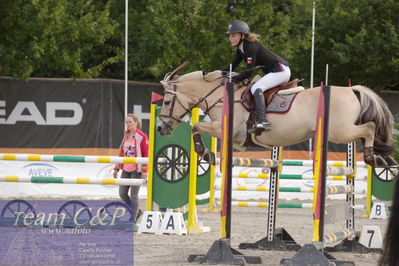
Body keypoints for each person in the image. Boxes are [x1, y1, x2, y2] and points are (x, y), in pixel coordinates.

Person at [221, 20, 291, 134]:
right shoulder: (241, 47)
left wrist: (231, 79)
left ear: (242, 35)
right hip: (275, 71)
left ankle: (262, 121)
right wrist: (218, 73)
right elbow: (232, 65)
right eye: (229, 36)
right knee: (255, 86)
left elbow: (249, 71)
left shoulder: (250, 46)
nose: (230, 39)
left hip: (280, 71)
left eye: (233, 36)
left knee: (256, 88)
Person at [113, 114, 149, 225]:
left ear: (136, 122)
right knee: (122, 193)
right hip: (125, 169)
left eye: (130, 122)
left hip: (136, 170)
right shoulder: (125, 136)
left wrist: (144, 170)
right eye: (126, 122)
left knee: (134, 195)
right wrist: (116, 168)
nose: (128, 124)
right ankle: (137, 212)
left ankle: (132, 219)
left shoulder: (142, 136)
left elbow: (146, 153)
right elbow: (121, 153)